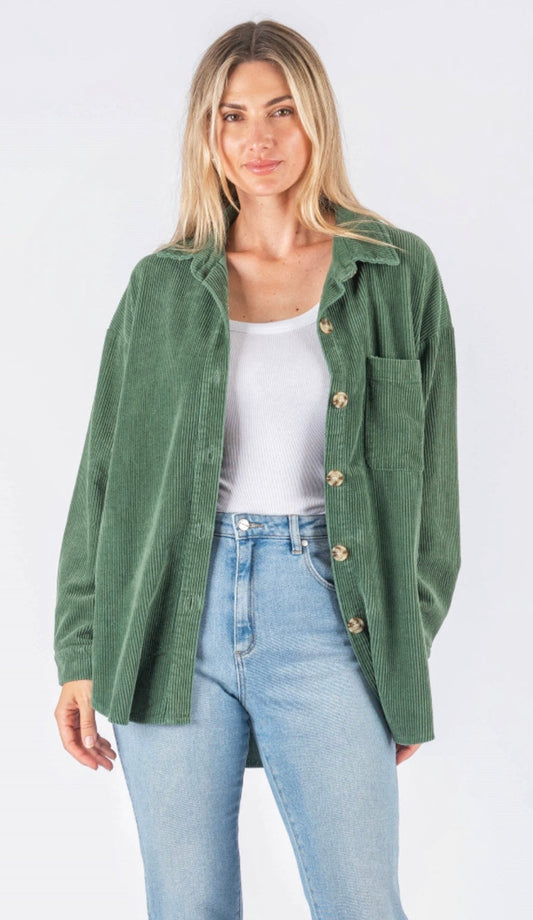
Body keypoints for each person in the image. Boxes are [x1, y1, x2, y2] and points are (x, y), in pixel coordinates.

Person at [53, 18, 461, 920]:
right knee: (186, 905)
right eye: (232, 116)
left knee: (360, 902)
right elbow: (103, 480)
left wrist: (401, 649)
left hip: (327, 612)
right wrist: (80, 653)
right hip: (169, 615)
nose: (258, 139)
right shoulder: (161, 286)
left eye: (281, 110)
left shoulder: (394, 272)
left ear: (316, 118)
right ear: (208, 133)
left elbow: (433, 495)